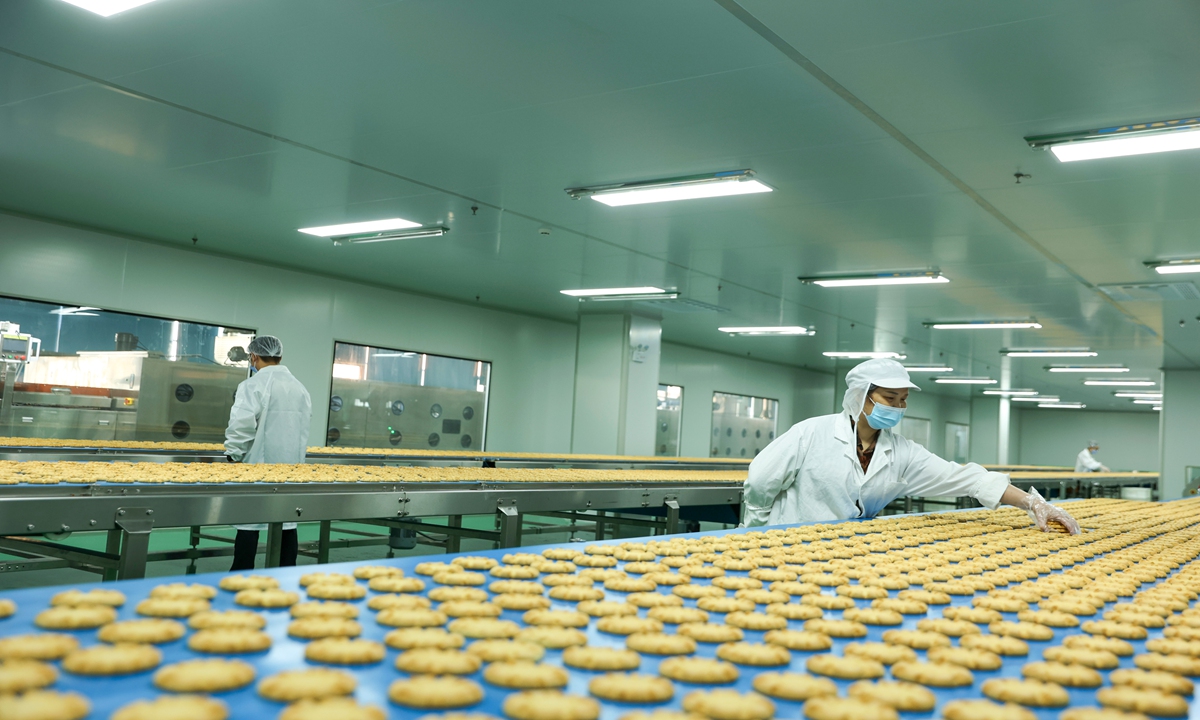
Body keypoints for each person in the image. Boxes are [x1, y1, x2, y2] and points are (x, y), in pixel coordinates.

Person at [742, 358, 1080, 534]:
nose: (898, 407)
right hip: (790, 538)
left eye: (903, 400)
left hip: (847, 547)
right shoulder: (810, 433)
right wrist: (756, 532)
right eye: (890, 398)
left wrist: (1033, 503)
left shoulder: (902, 452)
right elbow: (760, 481)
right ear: (861, 396)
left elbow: (966, 478)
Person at [224, 335, 312, 570]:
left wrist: (233, 453)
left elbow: (241, 424)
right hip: (291, 468)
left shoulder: (252, 385)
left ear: (253, 356)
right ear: (280, 356)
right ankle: (286, 573)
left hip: (257, 466)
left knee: (249, 522)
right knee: (286, 520)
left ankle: (241, 573)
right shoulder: (299, 388)